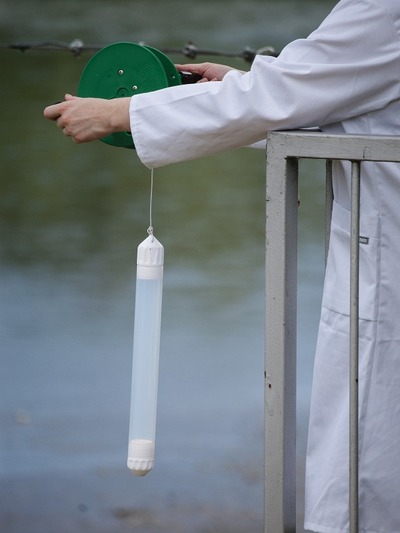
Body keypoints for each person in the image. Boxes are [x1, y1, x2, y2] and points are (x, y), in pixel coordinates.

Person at [44, 0, 400, 531]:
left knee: (362, 471)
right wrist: (226, 89)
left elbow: (286, 93)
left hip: (386, 272)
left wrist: (121, 113)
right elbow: (332, 91)